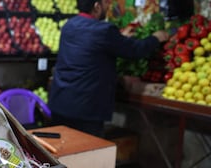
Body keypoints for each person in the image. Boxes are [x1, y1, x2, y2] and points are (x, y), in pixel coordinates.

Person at [48, 0, 170, 137]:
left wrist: (119, 38)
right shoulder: (104, 30)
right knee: (86, 154)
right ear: (96, 6)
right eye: (106, 3)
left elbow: (91, 46)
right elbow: (134, 50)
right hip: (86, 109)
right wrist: (155, 38)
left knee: (61, 152)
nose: (109, 6)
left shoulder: (68, 26)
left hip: (60, 103)